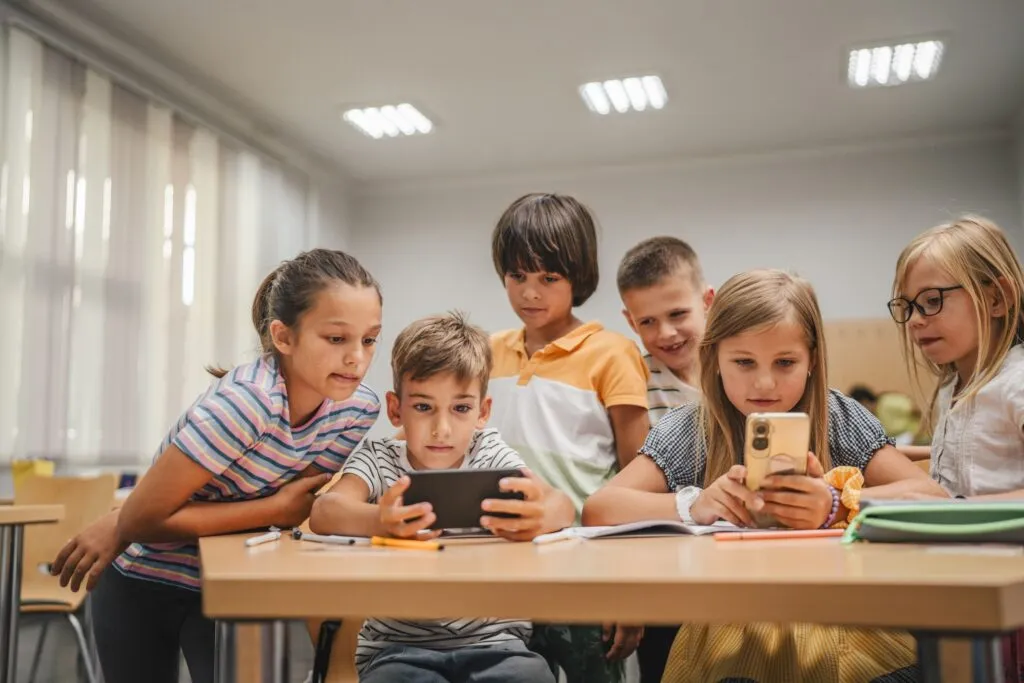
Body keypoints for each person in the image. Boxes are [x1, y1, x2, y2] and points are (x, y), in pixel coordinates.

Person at [584, 269, 940, 683]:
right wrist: (693, 503)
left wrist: (836, 502)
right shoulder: (690, 429)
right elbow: (600, 508)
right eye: (744, 362)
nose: (765, 382)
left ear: (812, 361)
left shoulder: (839, 416)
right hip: (728, 630)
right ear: (714, 358)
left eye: (786, 362)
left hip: (845, 624)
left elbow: (931, 495)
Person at [51, 249, 382, 683]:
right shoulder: (246, 403)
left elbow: (292, 504)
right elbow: (146, 518)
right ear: (284, 337)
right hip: (144, 578)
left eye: (370, 339)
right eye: (337, 339)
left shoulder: (356, 409)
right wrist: (271, 511)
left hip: (225, 578)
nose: (357, 357)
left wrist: (277, 510)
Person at [310, 311, 573, 683]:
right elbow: (325, 510)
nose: (442, 428)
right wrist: (378, 521)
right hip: (396, 650)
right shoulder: (380, 458)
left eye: (461, 408)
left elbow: (561, 504)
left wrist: (540, 516)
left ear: (482, 412)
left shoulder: (488, 452)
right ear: (395, 409)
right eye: (423, 407)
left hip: (498, 644)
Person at [487, 193, 649, 682]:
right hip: (503, 571)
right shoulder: (485, 351)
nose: (530, 293)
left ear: (578, 276)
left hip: (586, 570)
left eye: (548, 278)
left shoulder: (613, 354)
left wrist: (629, 588)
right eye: (517, 276)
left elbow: (638, 484)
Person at [615, 235, 713, 682]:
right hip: (661, 569)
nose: (666, 334)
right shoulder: (633, 383)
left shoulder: (741, 374)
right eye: (648, 321)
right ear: (629, 322)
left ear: (707, 301)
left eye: (678, 314)